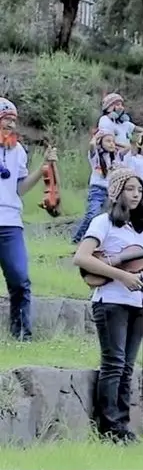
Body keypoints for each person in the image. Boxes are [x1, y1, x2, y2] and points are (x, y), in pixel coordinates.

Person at [71, 166, 143, 443]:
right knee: (114, 363)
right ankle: (109, 426)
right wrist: (121, 276)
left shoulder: (140, 231)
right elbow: (82, 258)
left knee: (127, 366)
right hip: (110, 302)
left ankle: (122, 425)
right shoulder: (102, 222)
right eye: (131, 189)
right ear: (117, 191)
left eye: (140, 190)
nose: (137, 194)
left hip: (135, 304)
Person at [0, 98, 57, 341]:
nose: (11, 125)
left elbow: (20, 188)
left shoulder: (18, 150)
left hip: (11, 221)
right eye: (6, 120)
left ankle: (22, 335)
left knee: (20, 279)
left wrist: (44, 167)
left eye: (13, 120)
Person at [71, 130, 124, 244]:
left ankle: (101, 240)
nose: (111, 144)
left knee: (106, 216)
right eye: (108, 141)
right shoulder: (95, 156)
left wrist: (116, 144)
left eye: (113, 142)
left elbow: (129, 147)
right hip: (97, 189)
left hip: (111, 191)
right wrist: (96, 137)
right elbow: (91, 145)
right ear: (100, 142)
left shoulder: (116, 156)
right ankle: (77, 238)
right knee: (92, 214)